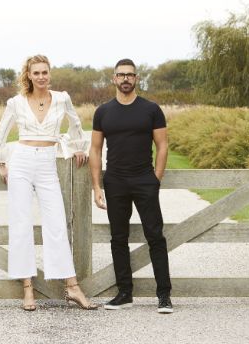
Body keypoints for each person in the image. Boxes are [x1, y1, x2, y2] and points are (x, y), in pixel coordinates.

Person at [0, 54, 97, 311]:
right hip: (22, 162)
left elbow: (76, 124)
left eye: (45, 72)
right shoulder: (16, 102)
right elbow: (0, 134)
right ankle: (28, 289)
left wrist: (78, 146)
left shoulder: (62, 98)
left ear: (50, 73)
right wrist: (1, 162)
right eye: (36, 73)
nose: (41, 77)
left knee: (57, 223)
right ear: (29, 75)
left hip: (47, 164)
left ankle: (72, 287)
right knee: (21, 224)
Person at [89, 58, 173, 313]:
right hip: (115, 181)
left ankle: (164, 296)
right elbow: (94, 149)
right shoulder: (103, 112)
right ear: (114, 79)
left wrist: (155, 178)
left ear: (136, 79)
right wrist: (97, 186)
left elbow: (163, 145)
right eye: (121, 75)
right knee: (118, 238)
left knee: (155, 236)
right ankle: (124, 293)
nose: (125, 79)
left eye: (130, 75)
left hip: (144, 179)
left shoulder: (151, 109)